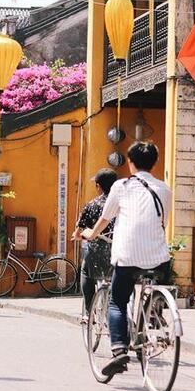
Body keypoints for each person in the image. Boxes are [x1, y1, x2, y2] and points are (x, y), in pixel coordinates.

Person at [83, 141, 171, 376]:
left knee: (117, 301)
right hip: (159, 258)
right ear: (155, 162)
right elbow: (163, 222)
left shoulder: (121, 186)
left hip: (128, 255)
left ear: (130, 162)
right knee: (157, 280)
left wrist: (91, 234)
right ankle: (154, 313)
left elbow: (104, 219)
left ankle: (119, 350)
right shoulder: (164, 189)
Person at [72, 169, 119, 321]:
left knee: (86, 272)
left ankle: (88, 312)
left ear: (98, 186)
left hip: (97, 252)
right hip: (119, 251)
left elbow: (79, 230)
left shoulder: (92, 205)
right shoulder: (123, 205)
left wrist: (78, 235)